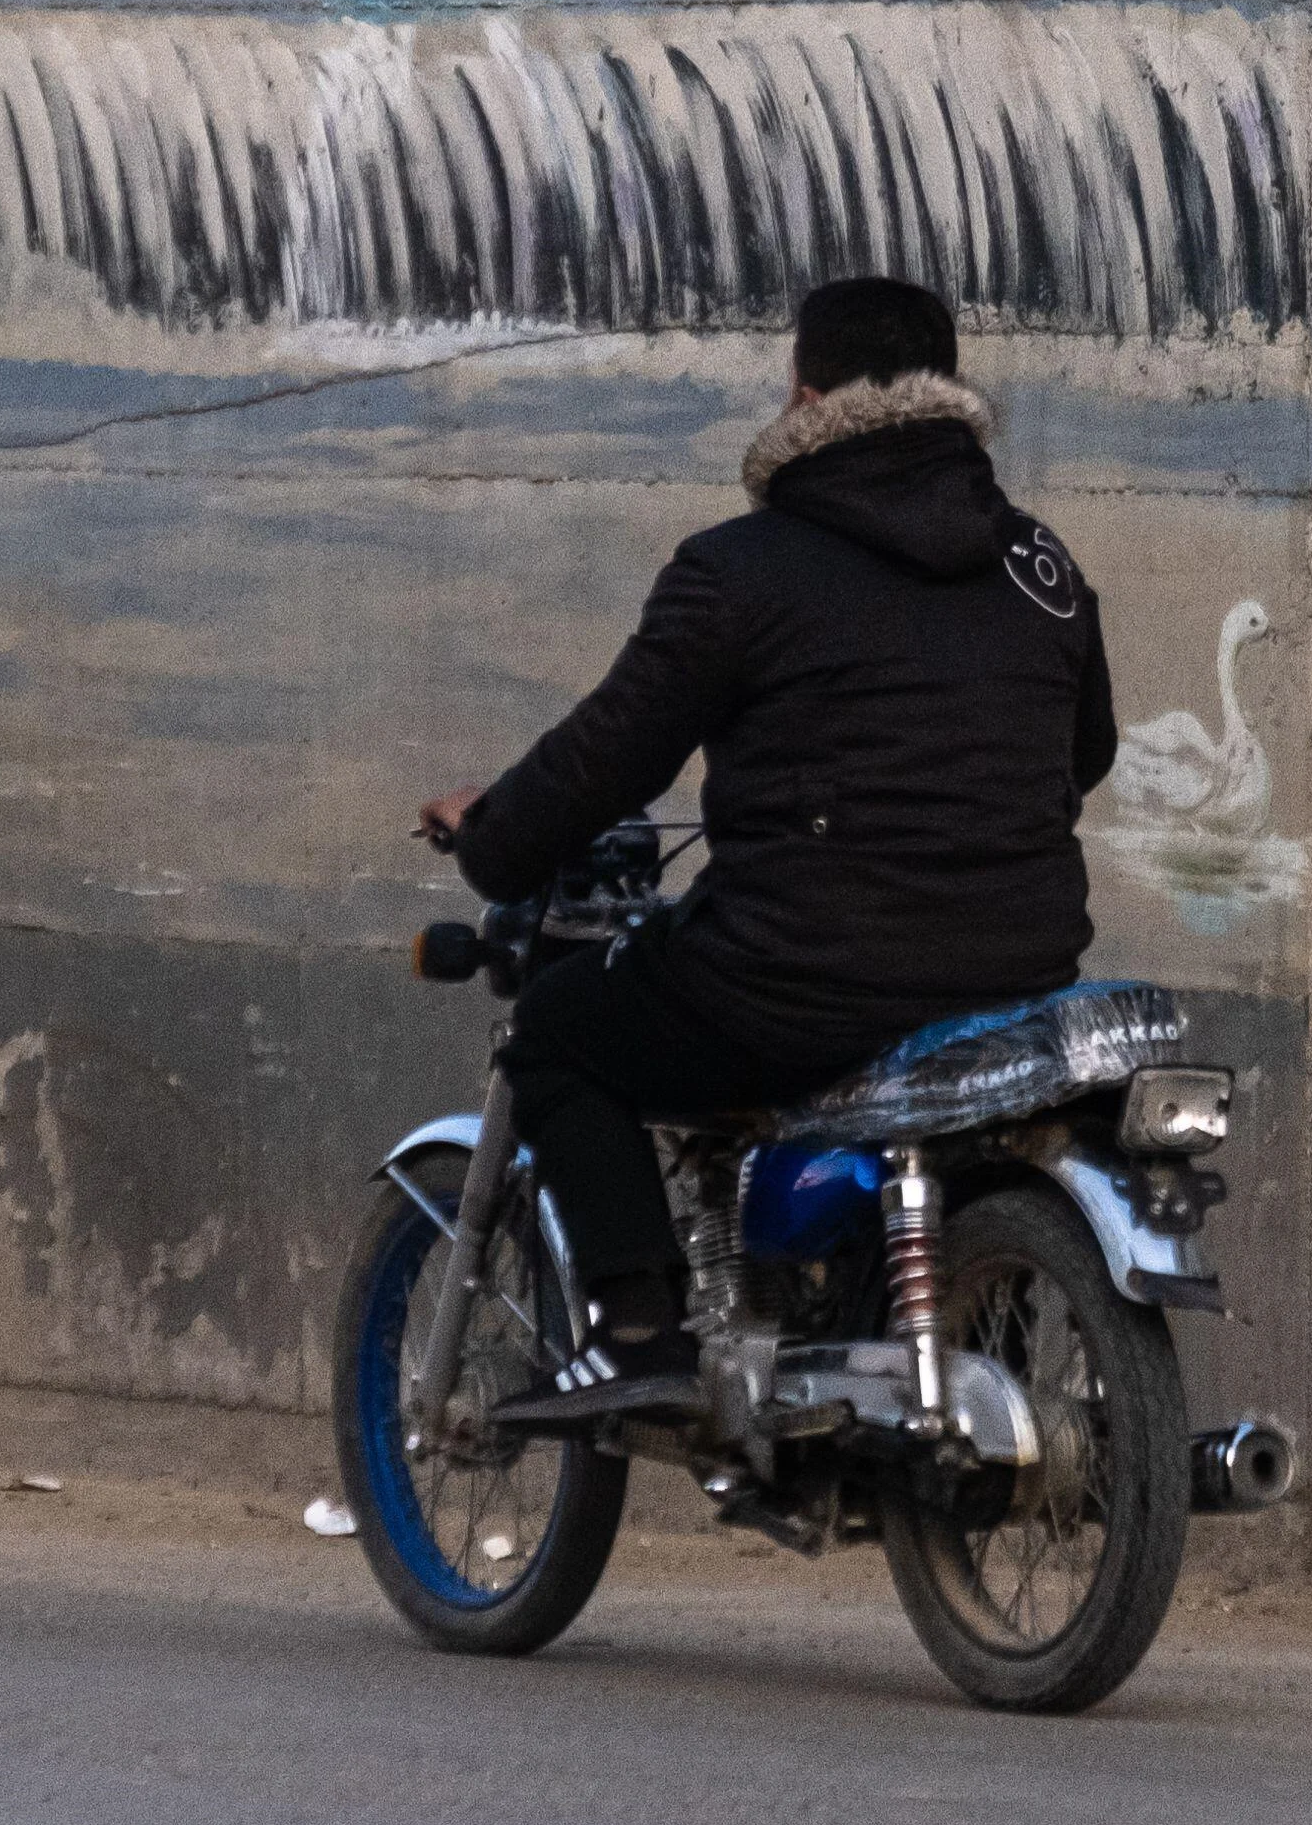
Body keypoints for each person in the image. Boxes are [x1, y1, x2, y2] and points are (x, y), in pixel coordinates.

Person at [421, 275, 1120, 1420]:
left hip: (802, 985)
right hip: (1016, 979)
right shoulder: (1039, 569)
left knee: (555, 1032)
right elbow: (1076, 756)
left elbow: (609, 757)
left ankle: (639, 1330)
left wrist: (493, 836)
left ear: (801, 396)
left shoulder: (739, 569)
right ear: (954, 403)